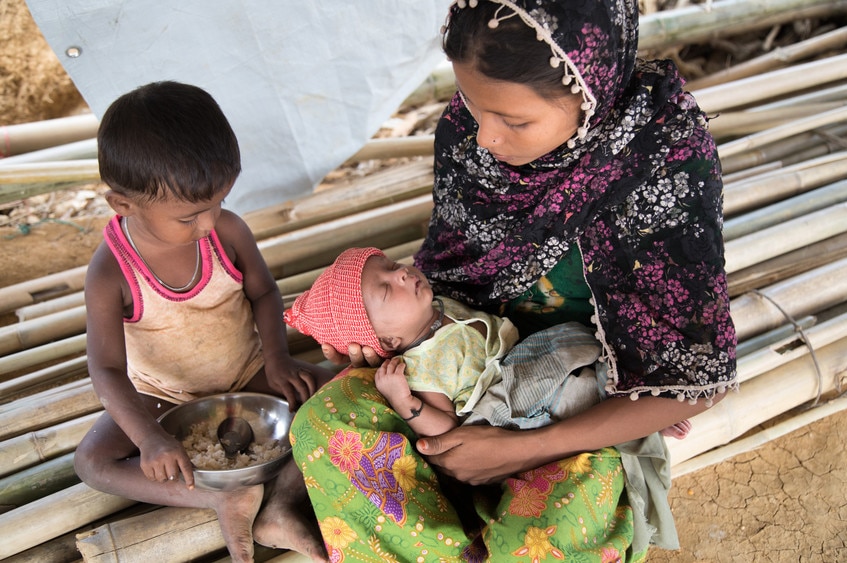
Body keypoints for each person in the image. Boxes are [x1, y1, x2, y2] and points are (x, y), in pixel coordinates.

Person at [290, 0, 737, 561]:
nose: (485, 140)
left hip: (573, 406)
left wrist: (521, 449)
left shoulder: (661, 161)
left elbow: (688, 379)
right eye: (473, 108)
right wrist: (379, 332)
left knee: (557, 525)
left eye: (515, 122)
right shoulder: (467, 133)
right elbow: (454, 274)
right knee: (327, 425)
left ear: (589, 88)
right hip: (459, 379)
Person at [74, 81, 334, 563]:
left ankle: (281, 505)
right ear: (123, 204)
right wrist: (149, 438)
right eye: (191, 216)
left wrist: (277, 358)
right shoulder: (110, 272)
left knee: (343, 388)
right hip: (161, 395)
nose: (210, 223)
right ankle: (219, 495)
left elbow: (263, 291)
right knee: (92, 462)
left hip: (248, 372)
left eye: (218, 202)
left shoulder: (227, 230)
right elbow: (106, 369)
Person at [286, 246, 689, 440]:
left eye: (392, 267)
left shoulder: (437, 305)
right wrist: (404, 402)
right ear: (387, 340)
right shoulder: (422, 368)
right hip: (503, 404)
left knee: (577, 342)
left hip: (520, 360)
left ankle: (630, 393)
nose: (404, 275)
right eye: (388, 289)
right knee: (574, 392)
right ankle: (642, 422)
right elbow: (446, 427)